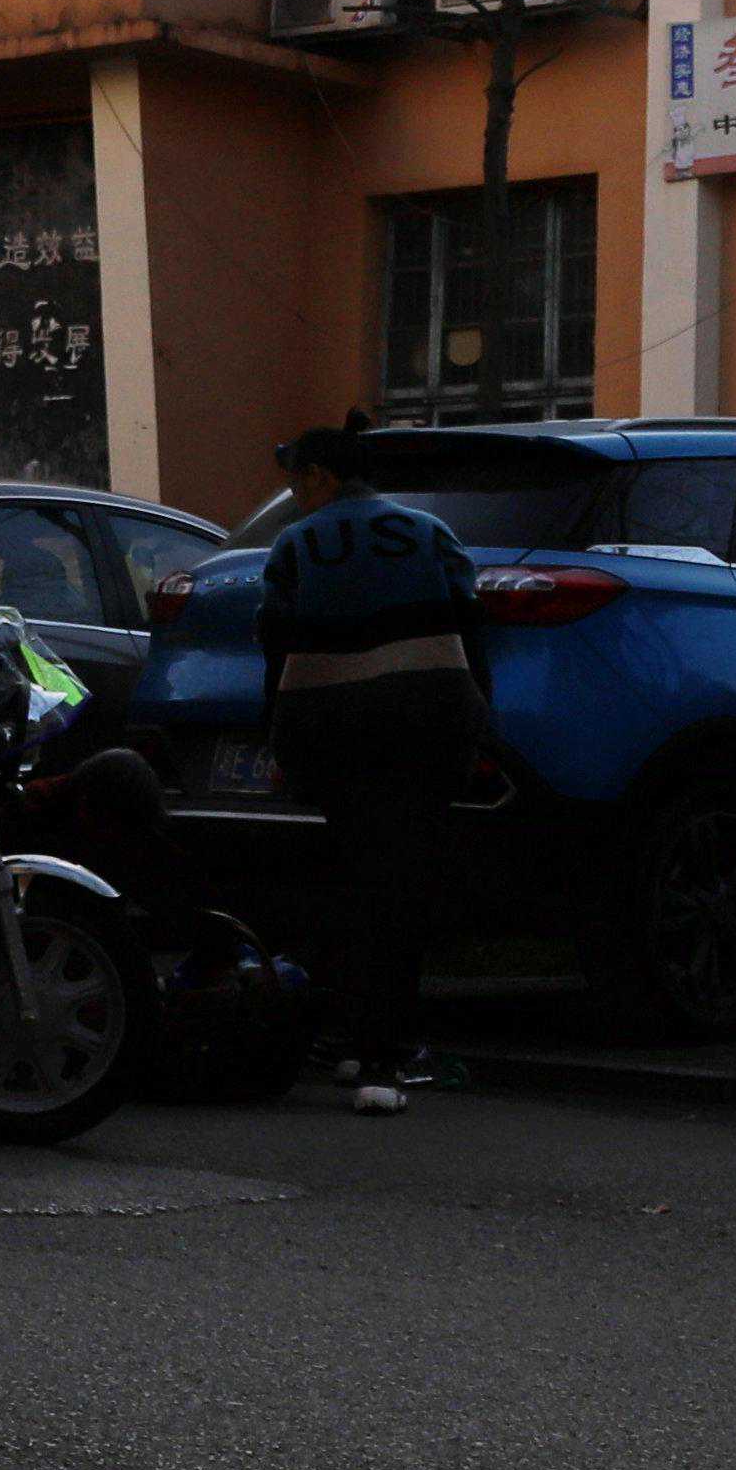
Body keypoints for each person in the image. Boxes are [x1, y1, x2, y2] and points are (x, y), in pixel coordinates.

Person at [257, 416, 478, 1118]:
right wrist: (478, 722)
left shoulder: (295, 544)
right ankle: (389, 1049)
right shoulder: (430, 533)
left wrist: (279, 738)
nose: (295, 495)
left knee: (352, 879)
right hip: (426, 724)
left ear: (323, 476)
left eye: (298, 480)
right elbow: (472, 627)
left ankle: (352, 1042)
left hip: (331, 730)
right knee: (404, 883)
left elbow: (274, 644)